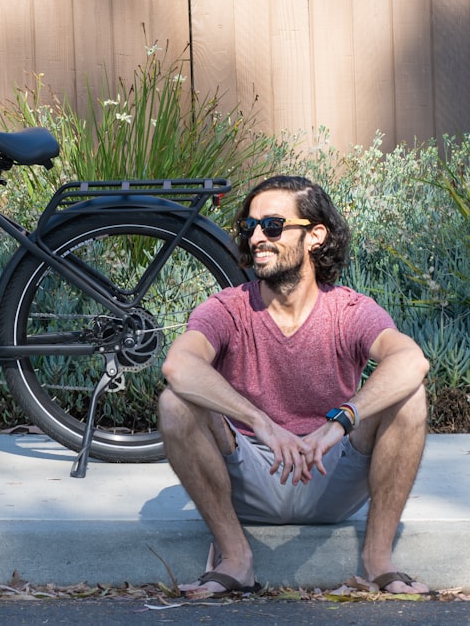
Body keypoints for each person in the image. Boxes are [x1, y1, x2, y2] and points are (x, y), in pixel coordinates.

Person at [158, 175, 430, 596]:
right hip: (249, 475)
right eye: (250, 228)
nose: (257, 238)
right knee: (175, 403)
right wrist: (260, 422)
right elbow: (178, 364)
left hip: (330, 471)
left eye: (272, 225)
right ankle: (236, 560)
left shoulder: (349, 310)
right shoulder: (228, 309)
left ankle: (378, 561)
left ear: (315, 235)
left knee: (410, 396)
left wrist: (339, 423)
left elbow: (411, 359)